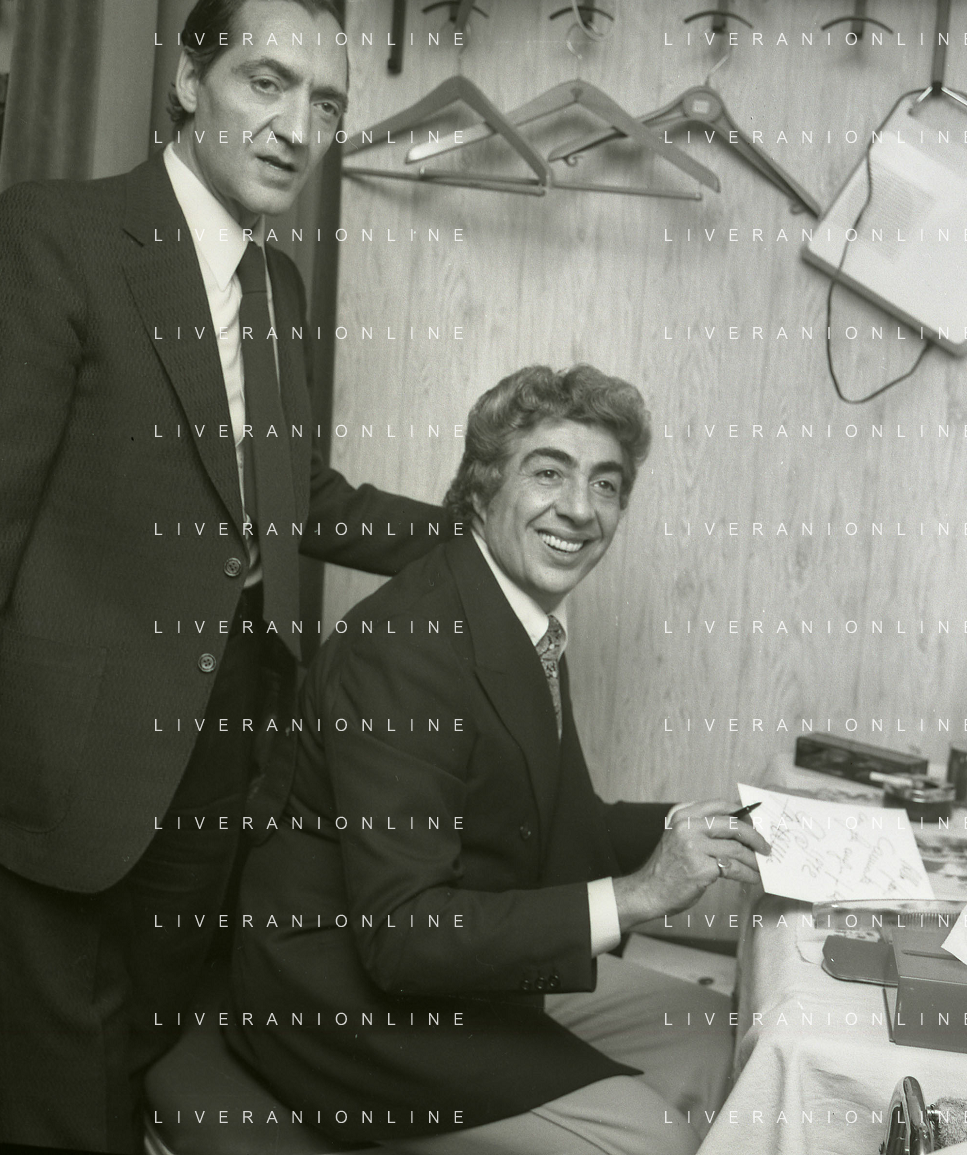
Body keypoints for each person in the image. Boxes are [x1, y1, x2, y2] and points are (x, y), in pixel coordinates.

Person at [0, 0, 452, 1153]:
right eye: (266, 82)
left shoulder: (275, 287)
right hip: (53, 776)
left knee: (139, 1062)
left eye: (324, 104)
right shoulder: (56, 235)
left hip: (218, 761)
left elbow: (289, 497)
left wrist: (473, 543)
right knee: (46, 1098)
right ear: (189, 80)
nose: (296, 127)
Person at [228, 364, 771, 1155]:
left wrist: (717, 827)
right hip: (340, 1004)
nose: (580, 508)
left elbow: (558, 819)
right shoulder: (408, 646)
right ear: (481, 490)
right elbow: (404, 933)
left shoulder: (521, 615)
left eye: (606, 483)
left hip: (448, 969)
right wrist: (639, 893)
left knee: (718, 1039)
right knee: (649, 1140)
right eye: (548, 472)